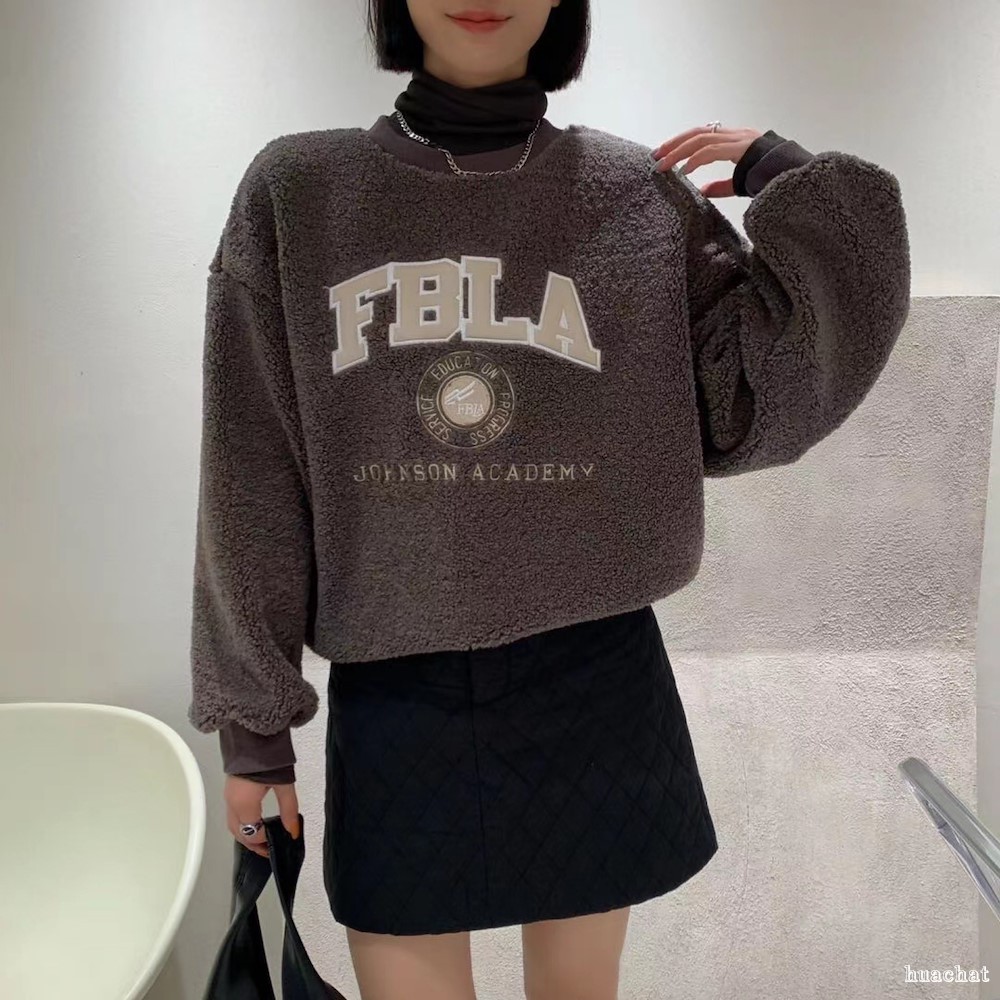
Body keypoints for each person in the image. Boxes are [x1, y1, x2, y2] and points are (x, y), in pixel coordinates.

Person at [188, 1, 911, 997]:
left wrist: (797, 186)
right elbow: (249, 466)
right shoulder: (300, 192)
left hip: (595, 678)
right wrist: (255, 730)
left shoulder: (634, 196)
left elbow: (758, 397)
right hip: (399, 699)